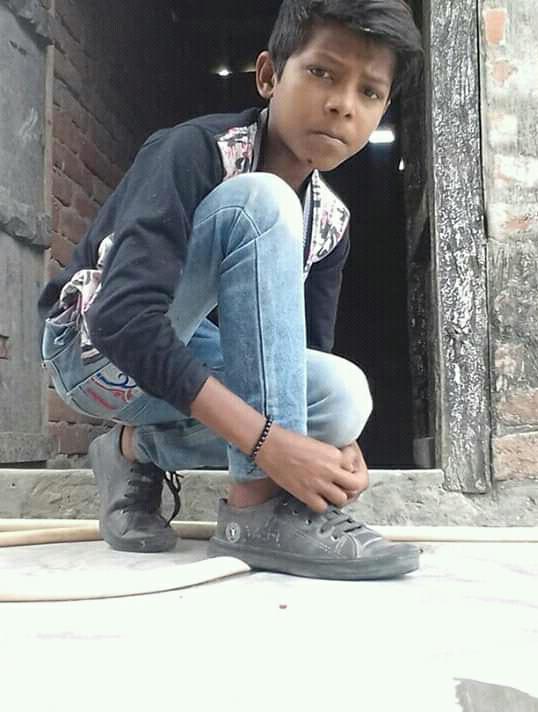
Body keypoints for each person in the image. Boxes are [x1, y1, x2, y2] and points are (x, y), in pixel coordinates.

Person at [38, 0, 423, 580]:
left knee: (344, 399)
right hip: (93, 354)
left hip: (178, 360)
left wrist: (333, 448)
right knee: (260, 201)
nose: (343, 104)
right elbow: (122, 319)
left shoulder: (330, 223)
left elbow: (293, 369)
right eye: (322, 72)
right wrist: (272, 448)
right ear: (268, 75)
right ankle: (259, 512)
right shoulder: (195, 151)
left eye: (369, 92)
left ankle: (130, 452)